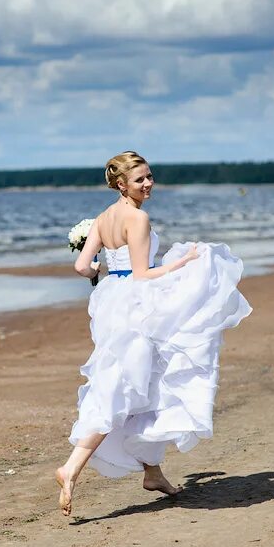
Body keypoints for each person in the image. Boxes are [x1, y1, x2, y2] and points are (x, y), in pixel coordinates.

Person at [56, 150, 252, 516]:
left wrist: (100, 268)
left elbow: (82, 265)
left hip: (110, 302)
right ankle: (70, 469)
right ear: (121, 184)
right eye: (140, 179)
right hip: (136, 308)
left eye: (150, 176)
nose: (148, 184)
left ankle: (153, 472)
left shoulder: (101, 219)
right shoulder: (138, 218)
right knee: (125, 388)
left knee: (147, 385)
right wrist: (181, 264)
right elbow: (143, 275)